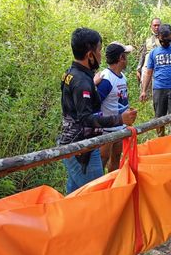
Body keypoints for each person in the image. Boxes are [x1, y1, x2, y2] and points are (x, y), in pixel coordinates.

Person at [57, 28, 137, 194]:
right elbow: (86, 118)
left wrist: (92, 83)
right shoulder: (82, 82)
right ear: (89, 54)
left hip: (75, 144)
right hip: (81, 150)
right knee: (97, 195)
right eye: (99, 50)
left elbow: (75, 105)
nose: (101, 55)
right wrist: (120, 119)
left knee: (74, 196)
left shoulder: (72, 74)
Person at [139, 24, 171, 136]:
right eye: (162, 40)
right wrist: (143, 90)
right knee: (159, 118)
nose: (165, 42)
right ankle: (161, 141)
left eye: (167, 39)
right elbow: (148, 72)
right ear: (158, 38)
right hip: (159, 89)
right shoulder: (153, 52)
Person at [97, 42, 134, 172]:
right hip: (107, 127)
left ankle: (113, 184)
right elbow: (96, 103)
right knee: (103, 158)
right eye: (125, 56)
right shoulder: (106, 79)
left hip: (120, 126)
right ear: (121, 58)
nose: (127, 60)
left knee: (116, 157)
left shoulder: (122, 77)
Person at [136, 18, 161, 86]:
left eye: (158, 25)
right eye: (155, 25)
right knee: (144, 90)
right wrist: (138, 69)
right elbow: (143, 55)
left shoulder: (165, 39)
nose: (157, 27)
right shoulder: (148, 40)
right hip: (147, 67)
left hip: (160, 68)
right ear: (151, 26)